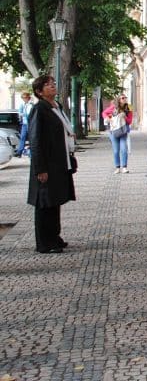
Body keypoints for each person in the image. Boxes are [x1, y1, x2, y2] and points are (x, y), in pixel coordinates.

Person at [26, 75, 76, 254]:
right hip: (47, 163)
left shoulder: (56, 107)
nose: (52, 86)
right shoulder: (39, 109)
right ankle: (45, 242)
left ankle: (55, 236)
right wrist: (40, 168)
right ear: (39, 91)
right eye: (47, 85)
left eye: (53, 83)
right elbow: (36, 139)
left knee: (55, 201)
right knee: (45, 203)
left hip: (59, 161)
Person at [102, 94, 133, 174]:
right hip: (113, 131)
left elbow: (130, 121)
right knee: (116, 151)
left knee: (124, 149)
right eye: (122, 98)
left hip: (123, 131)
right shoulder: (113, 107)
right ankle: (117, 167)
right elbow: (104, 113)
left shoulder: (129, 107)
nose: (124, 99)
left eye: (125, 98)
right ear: (119, 100)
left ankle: (124, 167)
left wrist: (125, 117)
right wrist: (108, 118)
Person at [14, 91, 33, 157]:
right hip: (24, 123)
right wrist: (22, 114)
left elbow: (29, 114)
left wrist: (23, 114)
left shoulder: (31, 104)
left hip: (30, 123)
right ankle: (19, 152)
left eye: (25, 97)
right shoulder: (22, 104)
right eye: (23, 98)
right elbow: (20, 113)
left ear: (28, 98)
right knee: (22, 137)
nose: (24, 99)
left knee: (31, 138)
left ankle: (31, 153)